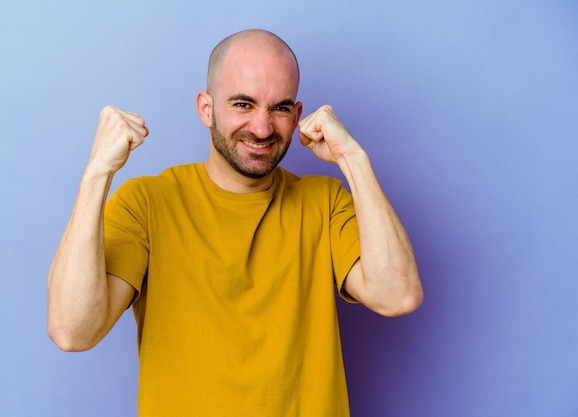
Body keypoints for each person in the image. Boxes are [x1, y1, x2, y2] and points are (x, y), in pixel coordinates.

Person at [47, 29, 423, 416]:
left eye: (279, 108)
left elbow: (398, 295)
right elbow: (73, 331)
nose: (262, 128)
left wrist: (354, 160)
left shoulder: (324, 202)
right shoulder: (146, 203)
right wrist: (96, 175)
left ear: (297, 116)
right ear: (206, 108)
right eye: (243, 104)